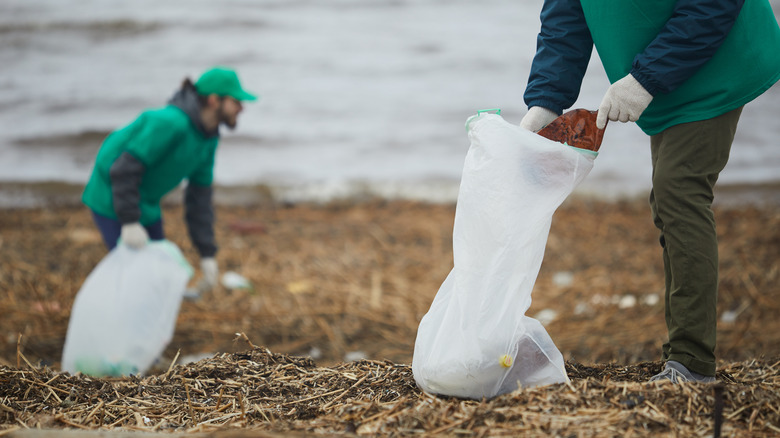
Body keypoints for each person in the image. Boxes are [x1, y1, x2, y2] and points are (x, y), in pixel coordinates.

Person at [520, 0, 780, 383]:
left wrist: (645, 79)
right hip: (664, 69)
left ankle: (692, 363)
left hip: (718, 61)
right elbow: (567, 17)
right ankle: (682, 357)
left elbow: (711, 6)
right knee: (669, 199)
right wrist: (545, 101)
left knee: (678, 190)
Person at [82, 66, 258, 295]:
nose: (242, 108)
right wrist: (129, 221)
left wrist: (207, 254)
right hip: (111, 195)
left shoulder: (208, 138)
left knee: (158, 273)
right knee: (133, 276)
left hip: (147, 202)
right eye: (236, 101)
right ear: (215, 100)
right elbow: (123, 169)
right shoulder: (170, 123)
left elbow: (199, 199)